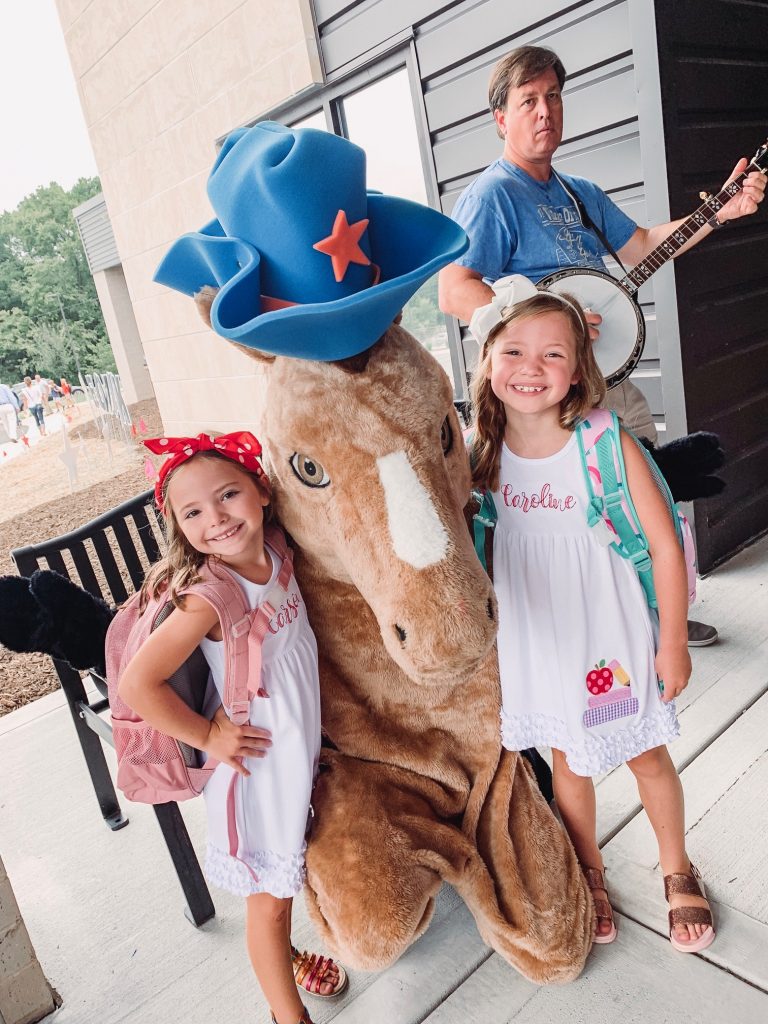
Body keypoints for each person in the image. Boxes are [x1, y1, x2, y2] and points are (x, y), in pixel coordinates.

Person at [439, 44, 766, 647]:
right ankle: (600, 628)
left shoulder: (577, 192)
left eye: (554, 97)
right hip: (548, 395)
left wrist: (721, 211)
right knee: (586, 511)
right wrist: (545, 322)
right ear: (501, 118)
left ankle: (660, 607)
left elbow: (641, 243)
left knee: (651, 491)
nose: (545, 111)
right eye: (528, 101)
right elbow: (456, 288)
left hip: (609, 380)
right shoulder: (493, 195)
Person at [469, 277, 715, 953]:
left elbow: (664, 545)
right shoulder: (482, 456)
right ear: (488, 361)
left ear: (579, 371)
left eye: (553, 355)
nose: (531, 369)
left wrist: (672, 643)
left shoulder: (603, 442)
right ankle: (590, 871)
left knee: (644, 753)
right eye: (515, 351)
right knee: (568, 765)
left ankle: (676, 867)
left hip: (608, 639)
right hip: (537, 643)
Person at [118, 432, 347, 1024]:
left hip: (294, 753)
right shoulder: (210, 598)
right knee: (269, 905)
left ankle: (287, 957)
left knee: (284, 886)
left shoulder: (277, 548)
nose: (216, 519)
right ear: (176, 524)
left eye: (228, 496)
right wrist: (207, 736)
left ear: (262, 490)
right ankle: (286, 1016)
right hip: (254, 774)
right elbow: (138, 686)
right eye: (193, 512)